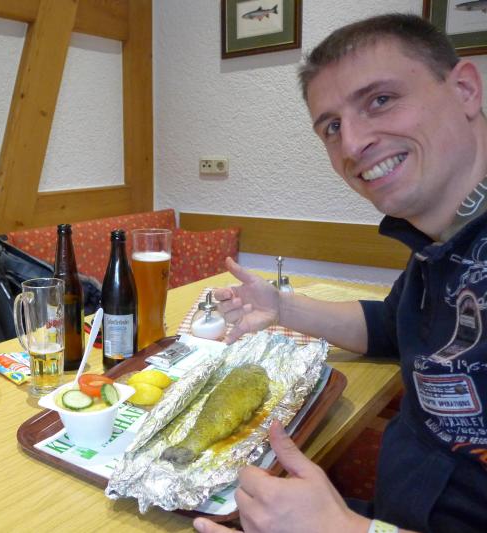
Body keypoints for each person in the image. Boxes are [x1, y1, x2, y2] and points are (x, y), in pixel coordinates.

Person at [193, 13, 487, 533]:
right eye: (331, 127)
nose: (351, 145)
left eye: (380, 100)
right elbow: (391, 327)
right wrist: (282, 307)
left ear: (465, 89)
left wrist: (344, 529)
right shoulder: (440, 238)